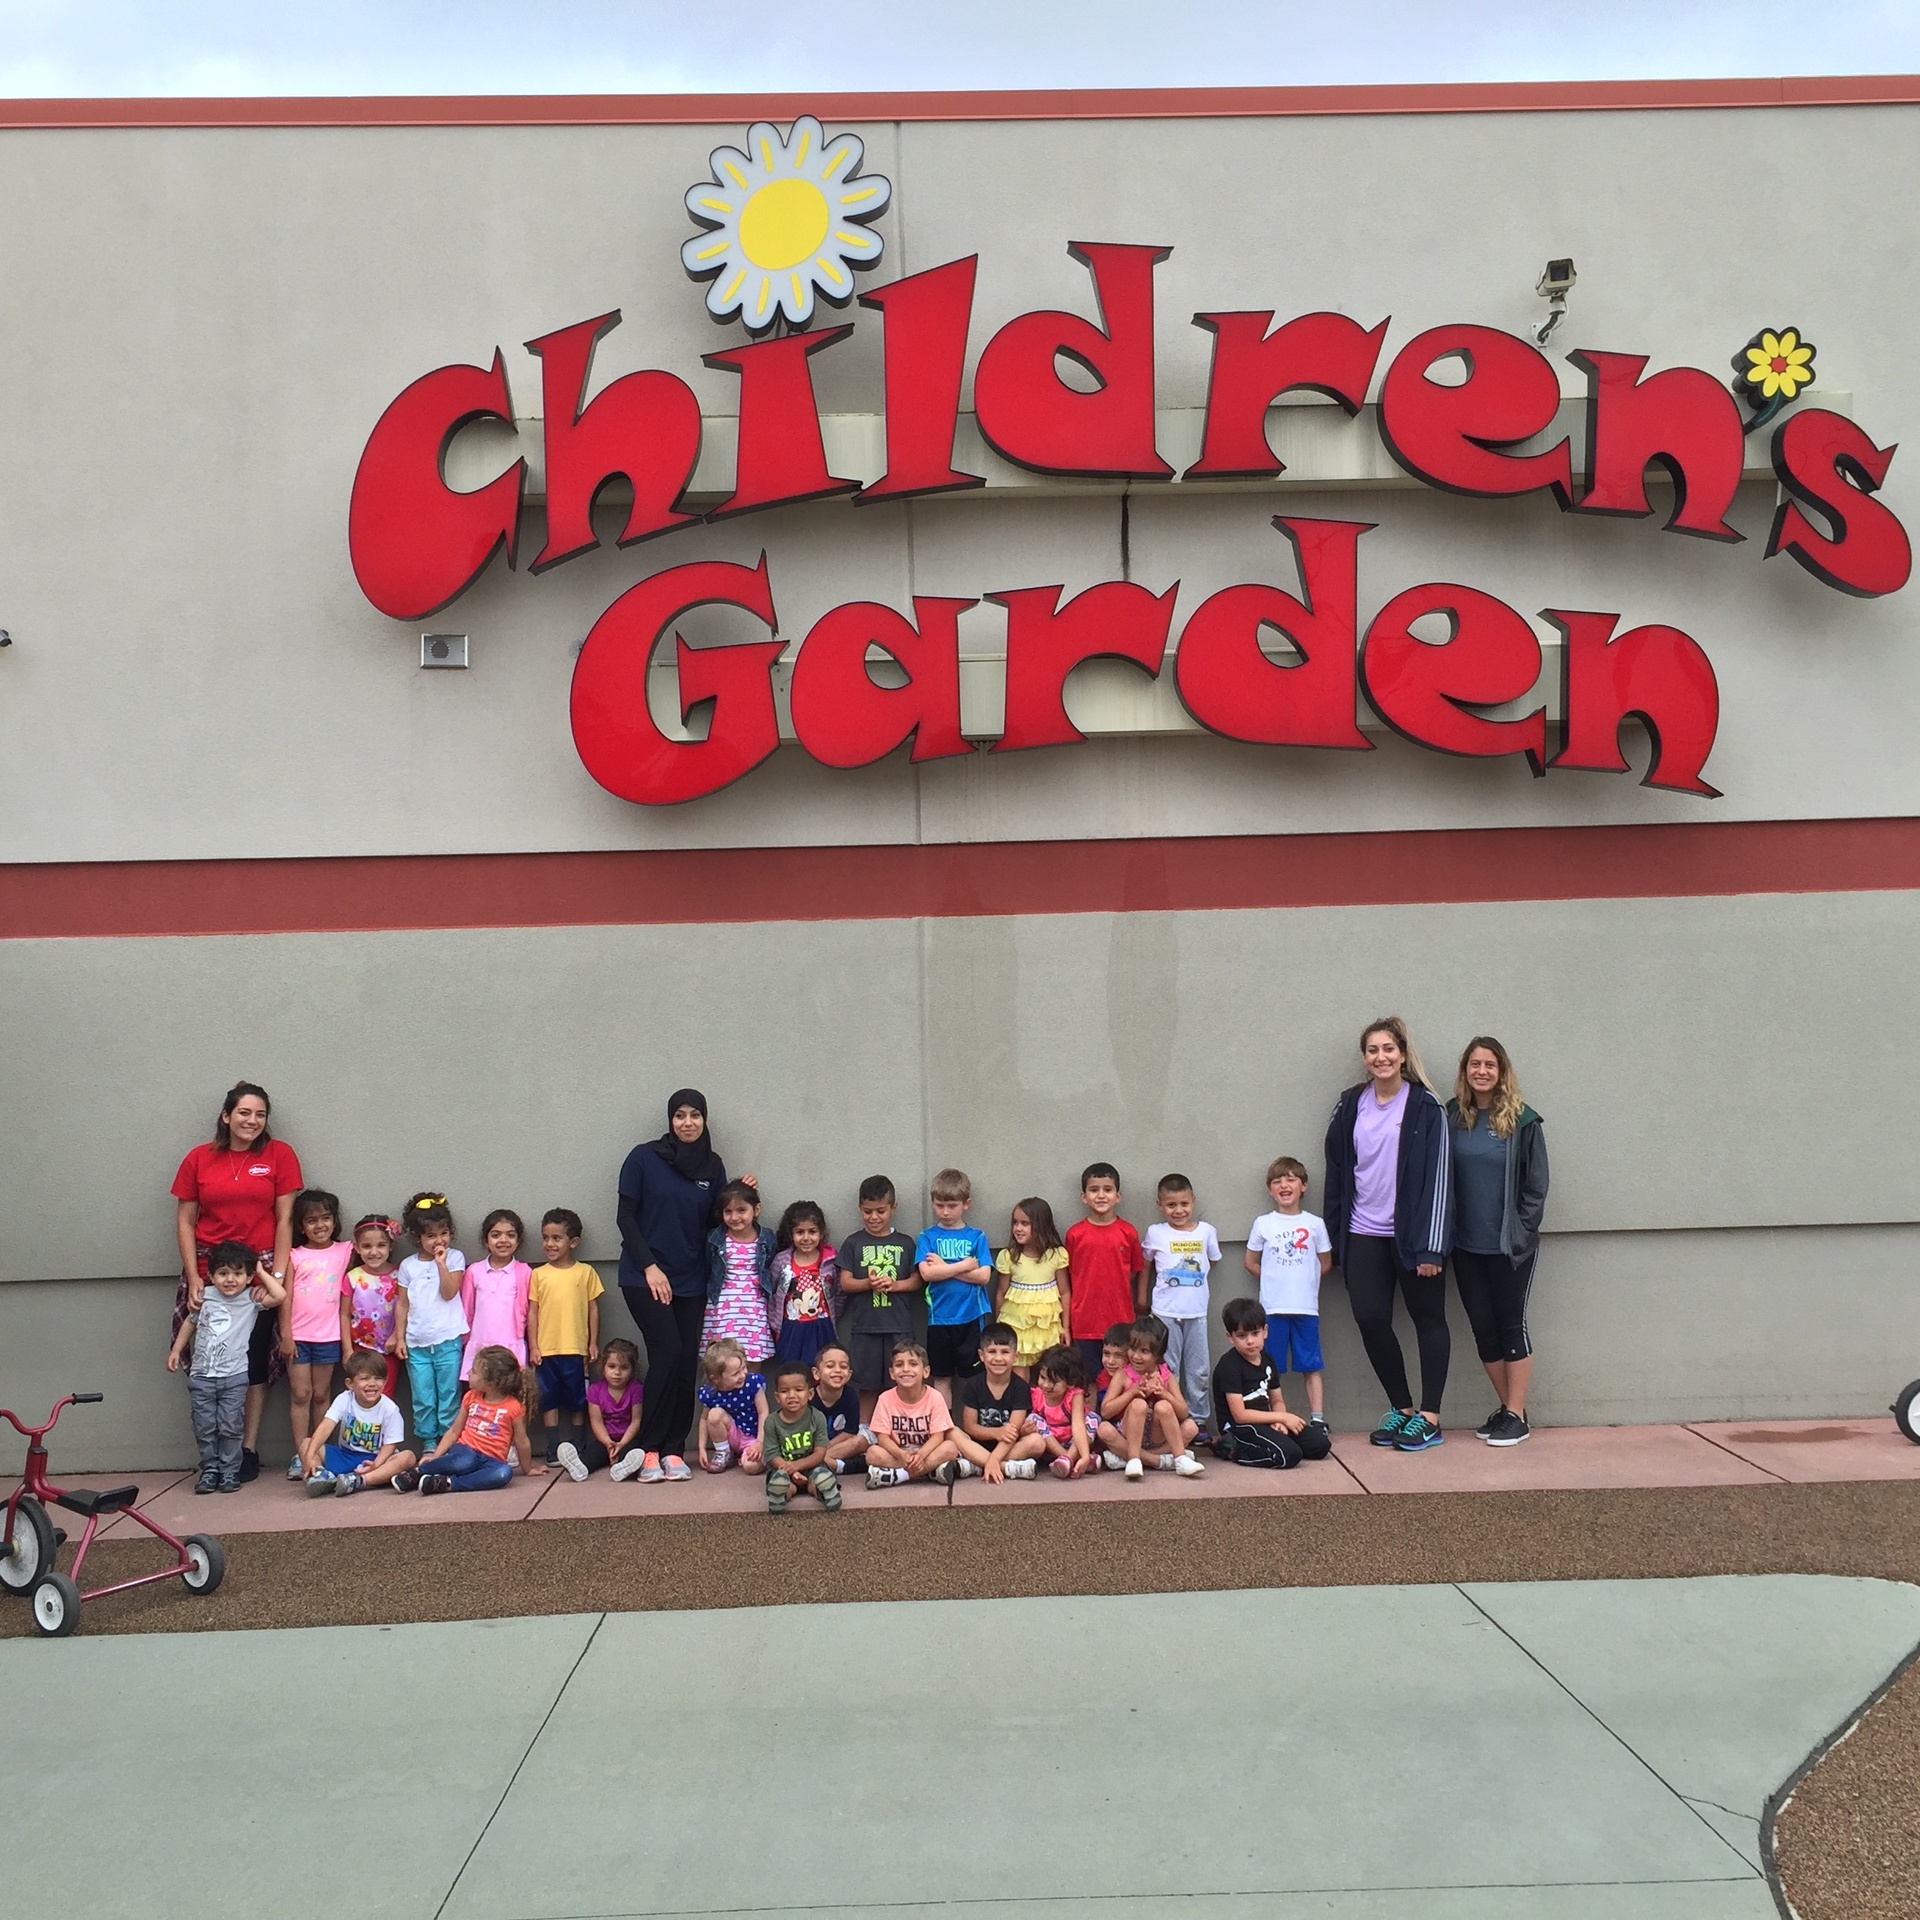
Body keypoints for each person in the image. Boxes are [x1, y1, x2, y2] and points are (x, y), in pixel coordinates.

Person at [1322, 1015, 1454, 1453]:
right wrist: (1334, 1239)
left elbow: (1440, 1178)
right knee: (1371, 1318)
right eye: (1373, 1050)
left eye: (1389, 1049)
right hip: (1363, 1233)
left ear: (1402, 1055)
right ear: (1365, 1059)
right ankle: (1403, 1409)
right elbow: (1338, 1172)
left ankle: (1430, 1416)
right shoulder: (1350, 1105)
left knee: (1427, 1318)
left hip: (1414, 1237)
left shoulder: (1426, 1106)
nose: (1381, 1057)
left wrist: (1432, 1245)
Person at [617, 1089, 752, 1485]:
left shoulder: (712, 1166)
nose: (688, 1122)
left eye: (695, 1115)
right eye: (680, 1115)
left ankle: (674, 1449)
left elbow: (718, 1219)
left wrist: (741, 1191)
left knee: (685, 1362)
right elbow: (626, 1218)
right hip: (645, 1275)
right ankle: (648, 1449)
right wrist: (650, 1267)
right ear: (670, 1121)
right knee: (667, 1353)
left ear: (705, 1120)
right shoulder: (643, 1157)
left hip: (691, 1278)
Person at [169, 1081, 302, 1482]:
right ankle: (213, 1454)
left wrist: (275, 1275)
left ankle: (246, 1449)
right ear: (226, 1116)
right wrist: (194, 1275)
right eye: (244, 1113)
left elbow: (284, 1220)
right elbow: (185, 1221)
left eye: (260, 1114)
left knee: (253, 1361)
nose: (252, 1121)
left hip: (258, 1269)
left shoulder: (280, 1155)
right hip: (212, 1269)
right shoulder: (199, 1159)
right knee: (210, 1355)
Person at [1448, 1037, 1550, 1447]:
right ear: (1465, 1071)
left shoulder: (1523, 1122)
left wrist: (1521, 1234)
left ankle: (1515, 1413)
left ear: (1502, 1071)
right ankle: (1511, 1410)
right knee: (1482, 1330)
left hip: (1510, 1247)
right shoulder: (1454, 1116)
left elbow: (1536, 1188)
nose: (1482, 1071)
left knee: (1511, 1326)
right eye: (1475, 1064)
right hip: (1466, 1246)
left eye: (1490, 1064)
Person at [165, 1240, 287, 1493]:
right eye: (222, 1273)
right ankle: (210, 1470)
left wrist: (261, 1272)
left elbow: (280, 1296)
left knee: (231, 1426)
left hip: (234, 1377)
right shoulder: (205, 1297)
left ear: (248, 1276)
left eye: (237, 1273)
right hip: (202, 1376)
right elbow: (189, 1323)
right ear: (211, 1275)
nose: (230, 1279)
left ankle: (230, 1471)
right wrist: (177, 1350)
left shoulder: (249, 1300)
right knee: (204, 1426)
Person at [1245, 1157, 1333, 1430]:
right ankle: (1274, 1419)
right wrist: (1275, 1278)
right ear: (1270, 1190)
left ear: (1303, 1186)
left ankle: (1317, 1419)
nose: (1284, 1185)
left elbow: (1325, 1262)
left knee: (1311, 1365)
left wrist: (1303, 1280)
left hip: (1306, 1308)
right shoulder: (1264, 1223)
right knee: (1271, 1367)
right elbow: (1250, 1262)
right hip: (1273, 1308)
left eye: (1291, 1179)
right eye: (1277, 1181)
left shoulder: (1315, 1224)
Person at [397, 1346, 542, 1495]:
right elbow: (454, 1431)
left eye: (473, 1371)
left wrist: (528, 1469)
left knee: (503, 1473)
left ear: (490, 1383)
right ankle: (417, 1473)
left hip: (491, 1460)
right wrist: (435, 1457)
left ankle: (446, 1484)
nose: (468, 1373)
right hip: (465, 1450)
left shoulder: (513, 1407)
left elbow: (521, 1441)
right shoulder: (471, 1397)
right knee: (464, 1462)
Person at [1211, 1297, 1333, 1469]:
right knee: (1289, 1456)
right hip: (1240, 1428)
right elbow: (1240, 1415)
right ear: (1230, 1338)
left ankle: (1273, 1442)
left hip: (1266, 1421)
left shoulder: (1267, 1360)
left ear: (1265, 1331)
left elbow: (1276, 1400)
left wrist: (1280, 1422)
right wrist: (1282, 1417)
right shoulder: (1229, 1366)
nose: (1250, 1341)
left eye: (1255, 1333)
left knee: (1320, 1445)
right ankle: (1231, 1450)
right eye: (1241, 1336)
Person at [1143, 1174, 1221, 1444]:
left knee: (1199, 1369)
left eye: (1184, 1204)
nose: (1179, 1210)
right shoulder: (1156, 1232)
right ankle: (1171, 1419)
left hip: (1197, 1312)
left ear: (1193, 1201)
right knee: (1168, 1368)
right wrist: (1142, 1297)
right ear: (1160, 1205)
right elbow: (1146, 1265)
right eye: (1171, 1205)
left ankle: (1197, 1420)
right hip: (1165, 1312)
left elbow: (1213, 1261)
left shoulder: (1206, 1231)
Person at [282, 1188, 352, 1483]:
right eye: (312, 1220)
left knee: (322, 1394)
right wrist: (286, 1334)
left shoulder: (346, 1250)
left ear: (335, 1221)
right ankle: (301, 1453)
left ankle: (318, 1451)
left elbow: (378, 1239)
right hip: (298, 1336)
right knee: (301, 1394)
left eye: (326, 1218)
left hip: (329, 1336)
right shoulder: (294, 1255)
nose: (320, 1225)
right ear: (301, 1226)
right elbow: (284, 1297)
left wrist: (392, 1227)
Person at [836, 1176, 921, 1420]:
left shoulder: (905, 1243)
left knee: (902, 1378)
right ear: (859, 1209)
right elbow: (845, 1282)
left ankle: (899, 1425)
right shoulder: (854, 1242)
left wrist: (895, 1285)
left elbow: (917, 1280)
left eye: (881, 1211)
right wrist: (867, 1283)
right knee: (867, 1383)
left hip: (899, 1325)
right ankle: (865, 1428)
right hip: (865, 1327)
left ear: (894, 1208)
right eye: (867, 1211)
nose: (874, 1217)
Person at [529, 1208, 604, 1465]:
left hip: (576, 1349)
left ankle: (578, 1445)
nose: (549, 1244)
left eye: (556, 1238)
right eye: (546, 1237)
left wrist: (592, 1342)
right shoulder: (538, 1274)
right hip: (546, 1350)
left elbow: (593, 1308)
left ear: (573, 1242)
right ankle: (552, 1448)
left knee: (577, 1400)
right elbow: (533, 1312)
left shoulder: (585, 1272)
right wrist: (533, 1345)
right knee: (548, 1399)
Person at [396, 1192, 469, 1453]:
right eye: (430, 1235)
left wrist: (441, 1264)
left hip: (448, 1340)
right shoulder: (407, 1266)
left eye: (444, 1233)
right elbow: (402, 1304)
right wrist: (400, 1337)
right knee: (424, 1398)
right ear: (417, 1238)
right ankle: (429, 1442)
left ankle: (449, 1442)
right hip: (417, 1344)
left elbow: (450, 1292)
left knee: (449, 1395)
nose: (439, 1240)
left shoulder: (455, 1258)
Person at [916, 1169, 992, 1405]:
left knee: (974, 1378)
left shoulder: (976, 1237)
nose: (946, 1212)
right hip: (939, 1319)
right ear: (932, 1203)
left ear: (966, 1204)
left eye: (952, 1205)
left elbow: (984, 1276)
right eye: (939, 1205)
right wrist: (964, 1265)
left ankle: (973, 1430)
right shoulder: (926, 1237)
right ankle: (944, 1431)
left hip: (971, 1318)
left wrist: (945, 1268)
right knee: (941, 1378)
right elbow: (928, 1273)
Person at [1064, 1163, 1144, 1380]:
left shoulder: (1128, 1233)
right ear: (1083, 1196)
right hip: (1084, 1323)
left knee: (1123, 1379)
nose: (1101, 1196)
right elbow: (1067, 1278)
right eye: (1094, 1190)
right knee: (1086, 1380)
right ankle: (1090, 1416)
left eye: (1107, 1190)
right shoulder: (1075, 1235)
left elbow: (1134, 1271)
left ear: (1118, 1196)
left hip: (1120, 1320)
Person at [300, 1350, 417, 1495]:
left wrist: (376, 1464)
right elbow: (326, 1427)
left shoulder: (390, 1409)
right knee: (306, 1444)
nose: (372, 1384)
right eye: (365, 1378)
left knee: (408, 1457)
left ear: (385, 1382)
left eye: (378, 1378)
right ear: (350, 1384)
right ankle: (321, 1476)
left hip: (374, 1459)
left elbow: (390, 1445)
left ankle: (359, 1481)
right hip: (345, 1455)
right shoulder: (344, 1399)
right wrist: (309, 1457)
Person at [1102, 1317, 1205, 1480]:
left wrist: (1163, 1393)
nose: (1136, 1356)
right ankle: (1147, 1460)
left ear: (1158, 1354)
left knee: (1187, 1424)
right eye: (1133, 1349)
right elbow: (1105, 1411)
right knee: (1119, 1418)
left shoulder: (1166, 1375)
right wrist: (1132, 1392)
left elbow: (1183, 1413)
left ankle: (1176, 1459)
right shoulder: (1124, 1375)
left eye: (1144, 1351)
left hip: (1159, 1438)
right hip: (1130, 1435)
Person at [953, 1322, 1045, 1482]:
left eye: (1005, 1352)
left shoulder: (1020, 1387)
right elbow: (970, 1427)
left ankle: (978, 1465)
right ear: (981, 1356)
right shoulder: (973, 1385)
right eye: (992, 1352)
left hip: (1009, 1446)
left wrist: (995, 1458)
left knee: (1037, 1442)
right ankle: (1005, 1467)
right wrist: (997, 1433)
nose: (998, 1358)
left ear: (1015, 1356)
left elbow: (1013, 1431)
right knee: (952, 1432)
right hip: (978, 1445)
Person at [991, 1197, 1071, 1377]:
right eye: (1015, 1223)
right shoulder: (1009, 1256)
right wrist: (999, 1327)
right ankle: (1022, 1405)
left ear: (1041, 1225)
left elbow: (1065, 1292)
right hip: (1017, 1327)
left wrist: (1065, 1327)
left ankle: (1047, 1406)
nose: (1018, 1228)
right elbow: (1001, 1293)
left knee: (1051, 1372)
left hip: (1047, 1327)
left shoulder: (1056, 1255)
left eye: (1025, 1223)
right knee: (1019, 1374)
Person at [866, 1341, 959, 1489]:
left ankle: (899, 1476)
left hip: (927, 1452)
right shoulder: (885, 1398)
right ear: (892, 1373)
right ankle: (930, 1471)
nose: (906, 1369)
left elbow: (938, 1436)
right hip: (898, 1453)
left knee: (950, 1448)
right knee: (872, 1453)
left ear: (926, 1372)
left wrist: (921, 1455)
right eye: (899, 1365)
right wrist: (902, 1455)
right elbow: (882, 1438)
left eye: (913, 1364)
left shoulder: (935, 1397)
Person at [557, 1338, 645, 1481]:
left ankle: (623, 1468)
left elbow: (636, 1421)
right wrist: (608, 1443)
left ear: (632, 1370)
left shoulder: (636, 1389)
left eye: (624, 1367)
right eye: (612, 1366)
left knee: (634, 1453)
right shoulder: (595, 1390)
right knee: (594, 1454)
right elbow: (596, 1422)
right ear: (603, 1366)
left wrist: (622, 1443)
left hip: (628, 1439)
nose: (617, 1372)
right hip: (604, 1439)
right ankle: (580, 1468)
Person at [761, 1361, 843, 1514]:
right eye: (785, 1391)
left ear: (810, 1394)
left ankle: (825, 1492)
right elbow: (772, 1455)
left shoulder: (817, 1417)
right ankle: (780, 1495)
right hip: (783, 1469)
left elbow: (820, 1453)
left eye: (798, 1390)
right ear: (777, 1397)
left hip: (813, 1466)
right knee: (783, 1482)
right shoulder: (771, 1422)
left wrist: (797, 1466)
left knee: (818, 1479)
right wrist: (790, 1471)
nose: (792, 1396)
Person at [461, 1209, 532, 1380]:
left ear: (518, 1241)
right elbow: (466, 1311)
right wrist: (465, 1342)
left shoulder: (524, 1271)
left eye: (510, 1235)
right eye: (496, 1235)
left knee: (510, 1391)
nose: (503, 1240)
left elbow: (530, 1312)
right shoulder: (474, 1271)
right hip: (480, 1343)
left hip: (511, 1345)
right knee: (479, 1391)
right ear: (486, 1241)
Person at [343, 1215, 405, 1400]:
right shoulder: (353, 1277)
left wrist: (396, 1336)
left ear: (391, 1246)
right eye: (367, 1246)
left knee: (384, 1397)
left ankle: (382, 1430)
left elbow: (406, 1307)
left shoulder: (399, 1275)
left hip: (388, 1350)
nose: (374, 1252)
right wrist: (347, 1350)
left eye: (381, 1245)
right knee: (359, 1396)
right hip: (359, 1348)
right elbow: (344, 1315)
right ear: (357, 1247)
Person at [770, 1201, 840, 1366]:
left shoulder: (830, 1260)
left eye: (812, 1231)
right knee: (793, 1372)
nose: (806, 1238)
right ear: (791, 1234)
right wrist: (775, 1323)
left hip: (822, 1327)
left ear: (821, 1233)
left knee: (823, 1370)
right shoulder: (781, 1261)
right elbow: (771, 1292)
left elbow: (840, 1292)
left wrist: (831, 1314)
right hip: (791, 1328)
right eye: (800, 1232)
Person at [695, 1337, 767, 1473]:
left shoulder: (752, 1384)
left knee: (751, 1467)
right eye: (735, 1373)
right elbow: (704, 1419)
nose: (742, 1375)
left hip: (753, 1437)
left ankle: (755, 1457)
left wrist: (760, 1443)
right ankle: (724, 1453)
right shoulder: (711, 1392)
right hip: (731, 1435)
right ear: (715, 1378)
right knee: (714, 1414)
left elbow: (763, 1412)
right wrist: (702, 1449)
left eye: (744, 1368)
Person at [1029, 1344, 1098, 1480]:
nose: (1046, 1385)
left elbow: (1078, 1426)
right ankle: (1071, 1460)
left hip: (1074, 1443)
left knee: (1092, 1418)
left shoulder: (1074, 1395)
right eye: (1043, 1377)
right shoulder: (1036, 1394)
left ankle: (1073, 1460)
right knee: (1032, 1418)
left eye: (1054, 1381)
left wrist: (1083, 1455)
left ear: (1070, 1382)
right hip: (1050, 1446)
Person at [811, 1343, 868, 1474]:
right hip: (814, 1447)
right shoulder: (809, 1398)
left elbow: (850, 1431)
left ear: (849, 1374)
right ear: (816, 1373)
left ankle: (819, 1462)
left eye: (843, 1366)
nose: (837, 1370)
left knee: (861, 1441)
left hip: (839, 1446)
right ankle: (842, 1467)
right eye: (830, 1366)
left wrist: (826, 1448)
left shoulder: (850, 1395)